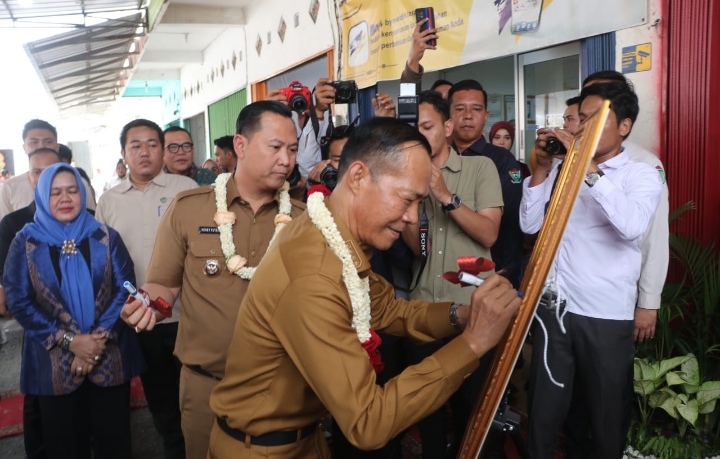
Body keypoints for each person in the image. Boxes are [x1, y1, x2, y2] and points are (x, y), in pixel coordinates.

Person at [207, 117, 522, 459]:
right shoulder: (314, 274)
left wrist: (464, 315)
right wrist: (474, 343)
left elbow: (386, 309)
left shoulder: (331, 233)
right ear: (358, 176)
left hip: (304, 440)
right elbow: (368, 422)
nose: (413, 218)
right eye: (407, 200)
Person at [120, 101, 305, 459]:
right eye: (276, 147)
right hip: (207, 389)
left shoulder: (303, 220)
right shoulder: (190, 208)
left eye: (293, 149)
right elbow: (164, 285)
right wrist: (146, 304)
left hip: (283, 387)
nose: (286, 160)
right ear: (241, 145)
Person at [522, 82, 662, 459]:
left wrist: (588, 168)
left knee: (604, 421)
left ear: (625, 127)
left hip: (605, 317)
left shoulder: (642, 175)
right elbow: (530, 225)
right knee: (543, 414)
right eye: (582, 119)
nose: (583, 127)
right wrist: (540, 171)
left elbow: (631, 226)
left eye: (597, 120)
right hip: (555, 310)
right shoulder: (562, 170)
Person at [4, 163, 145, 459]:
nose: (65, 198)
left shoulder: (105, 235)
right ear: (42, 196)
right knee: (64, 447)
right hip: (53, 364)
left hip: (108, 358)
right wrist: (71, 342)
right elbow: (20, 301)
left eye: (72, 190)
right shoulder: (25, 241)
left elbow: (126, 288)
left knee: (115, 444)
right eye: (55, 192)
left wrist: (96, 341)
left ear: (83, 194)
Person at [402, 91, 504, 458]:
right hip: (423, 310)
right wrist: (413, 201)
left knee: (471, 409)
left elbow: (489, 234)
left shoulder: (481, 169)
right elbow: (419, 250)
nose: (419, 134)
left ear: (447, 127)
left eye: (427, 126)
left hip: (471, 307)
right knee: (426, 408)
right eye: (413, 128)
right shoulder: (410, 179)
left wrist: (446, 197)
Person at [96, 119, 198, 459]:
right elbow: (104, 264)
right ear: (124, 153)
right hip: (140, 320)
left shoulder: (186, 188)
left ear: (162, 149)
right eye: (136, 145)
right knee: (161, 399)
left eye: (152, 144)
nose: (144, 152)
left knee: (197, 396)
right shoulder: (108, 201)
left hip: (190, 317)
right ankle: (174, 449)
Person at [0, 148, 62, 458]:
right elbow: (13, 286)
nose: (46, 178)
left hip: (85, 326)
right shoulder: (14, 224)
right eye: (38, 172)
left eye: (54, 170)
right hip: (39, 328)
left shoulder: (88, 219)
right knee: (38, 399)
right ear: (30, 177)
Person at [449, 80, 525, 287]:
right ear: (449, 116)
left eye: (476, 109)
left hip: (493, 269)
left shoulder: (502, 160)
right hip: (448, 268)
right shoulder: (440, 158)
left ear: (485, 117)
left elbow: (508, 217)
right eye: (459, 109)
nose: (467, 116)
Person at [0, 119, 96, 221]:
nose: (41, 146)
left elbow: (92, 222)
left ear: (57, 147)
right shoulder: (9, 189)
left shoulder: (80, 183)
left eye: (48, 141)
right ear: (24, 147)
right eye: (34, 142)